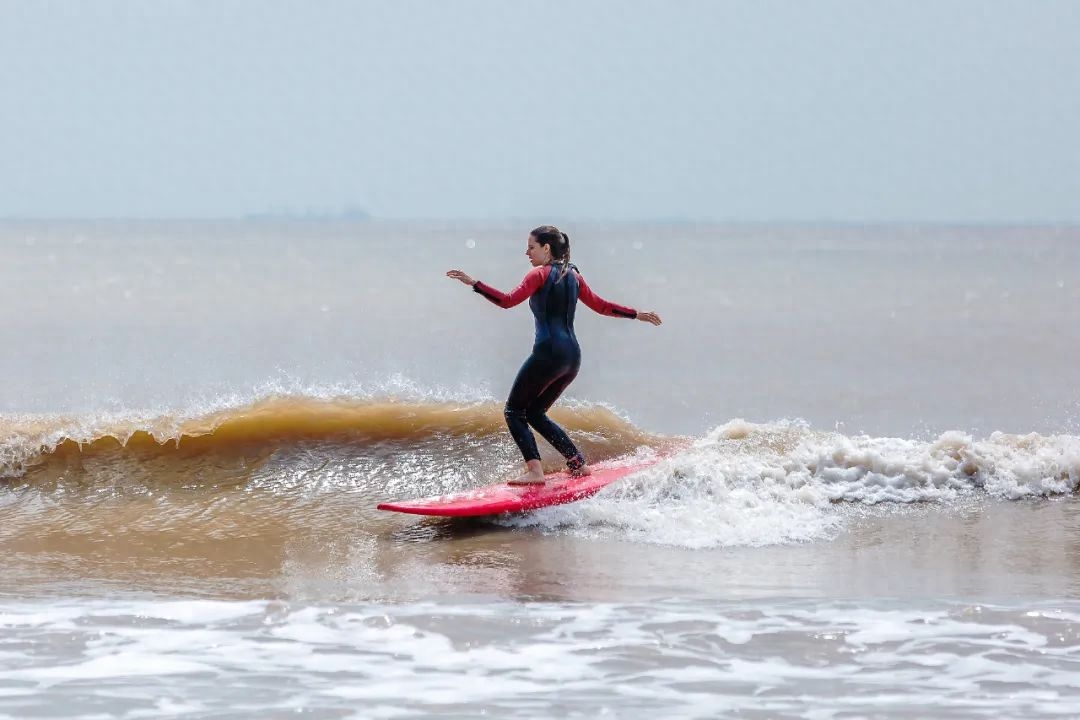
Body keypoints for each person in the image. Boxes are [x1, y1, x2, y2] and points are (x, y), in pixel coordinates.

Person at [447, 226, 662, 485]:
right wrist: (635, 314)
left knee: (514, 411)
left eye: (531, 247)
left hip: (548, 353)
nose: (526, 252)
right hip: (572, 358)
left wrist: (474, 283)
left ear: (546, 248)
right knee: (535, 413)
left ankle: (535, 473)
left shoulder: (538, 274)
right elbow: (602, 306)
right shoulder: (574, 276)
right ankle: (577, 463)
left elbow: (506, 301)